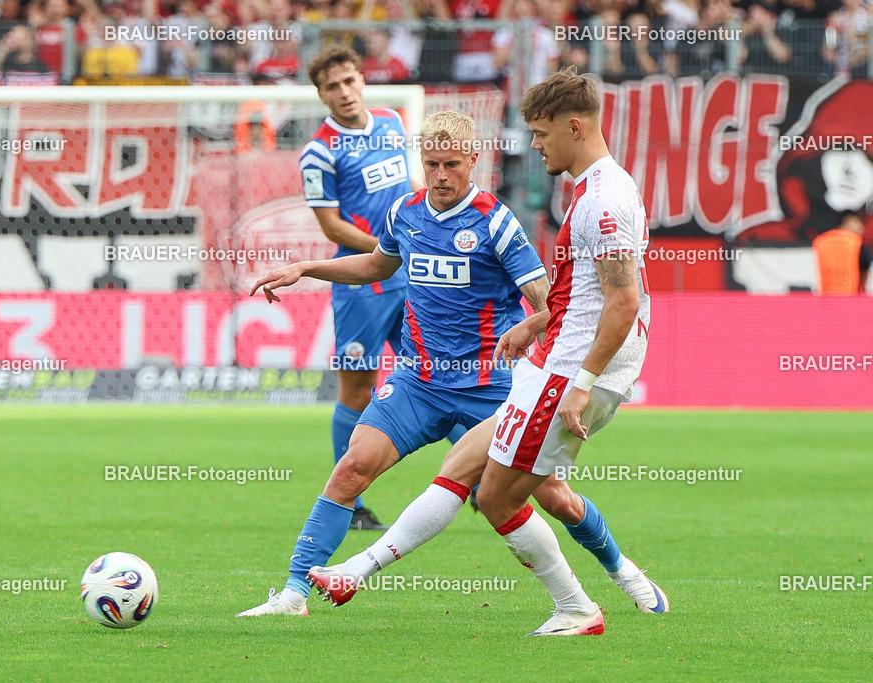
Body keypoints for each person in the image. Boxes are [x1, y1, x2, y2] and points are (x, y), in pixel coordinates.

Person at [311, 68, 669, 636]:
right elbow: (582, 293)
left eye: (542, 132)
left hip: (564, 373)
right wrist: (536, 327)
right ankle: (355, 569)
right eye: (431, 163)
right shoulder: (594, 188)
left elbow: (624, 301)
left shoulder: (599, 200)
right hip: (541, 363)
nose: (534, 143)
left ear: (574, 127)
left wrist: (583, 379)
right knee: (463, 473)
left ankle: (588, 599)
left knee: (507, 498)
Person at [236, 109, 551, 617]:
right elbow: (375, 266)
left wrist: (535, 341)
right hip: (417, 382)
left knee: (551, 495)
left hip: (487, 385)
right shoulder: (406, 212)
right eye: (432, 164)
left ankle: (620, 570)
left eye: (451, 164)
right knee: (351, 468)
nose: (441, 175)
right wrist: (307, 268)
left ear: (474, 160)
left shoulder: (496, 220)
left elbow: (548, 304)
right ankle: (294, 592)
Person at [294, 44, 423, 531]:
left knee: (440, 372)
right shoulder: (319, 151)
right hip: (361, 285)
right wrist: (387, 247)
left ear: (362, 80)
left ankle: (477, 481)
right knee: (357, 389)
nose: (344, 92)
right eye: (333, 87)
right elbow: (331, 227)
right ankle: (348, 502)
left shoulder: (391, 121)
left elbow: (407, 186)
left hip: (408, 277)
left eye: (349, 81)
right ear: (322, 96)